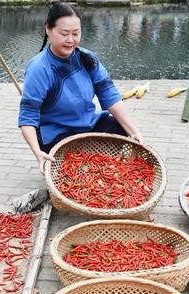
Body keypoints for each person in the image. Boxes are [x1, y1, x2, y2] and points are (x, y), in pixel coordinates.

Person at [18, 2, 143, 172]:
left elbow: (109, 95)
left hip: (87, 125)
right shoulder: (39, 68)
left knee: (121, 127)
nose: (71, 40)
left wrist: (134, 131)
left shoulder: (87, 58)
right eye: (64, 34)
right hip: (57, 134)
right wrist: (36, 152)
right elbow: (27, 116)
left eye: (76, 33)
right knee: (75, 167)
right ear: (48, 29)